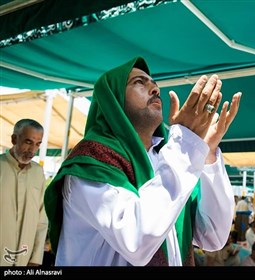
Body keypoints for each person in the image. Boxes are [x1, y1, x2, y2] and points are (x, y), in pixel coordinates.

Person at [44, 57, 242, 266]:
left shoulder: (167, 159)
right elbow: (135, 240)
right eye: (139, 82)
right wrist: (185, 143)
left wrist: (208, 154)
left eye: (154, 84)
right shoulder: (91, 162)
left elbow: (212, 236)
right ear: (114, 100)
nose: (155, 89)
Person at [0, 119, 48, 266]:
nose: (32, 150)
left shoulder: (38, 173)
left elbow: (41, 220)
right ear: (14, 139)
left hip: (25, 259)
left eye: (38, 144)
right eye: (28, 142)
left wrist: (35, 258)